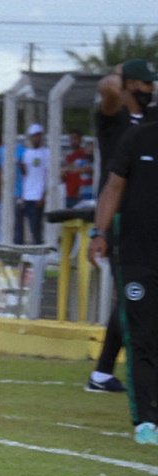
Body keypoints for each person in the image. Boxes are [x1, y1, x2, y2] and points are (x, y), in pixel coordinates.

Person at [86, 59, 158, 395]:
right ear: (130, 83)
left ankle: (101, 374)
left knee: (133, 296)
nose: (149, 90)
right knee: (133, 294)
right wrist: (118, 74)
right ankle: (113, 373)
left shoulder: (154, 120)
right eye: (143, 84)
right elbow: (108, 90)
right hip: (118, 220)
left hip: (149, 221)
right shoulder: (114, 118)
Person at [88, 123, 158, 446]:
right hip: (137, 256)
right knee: (141, 337)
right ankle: (146, 420)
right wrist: (99, 233)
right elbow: (113, 187)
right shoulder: (139, 136)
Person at [15, 123, 48, 245]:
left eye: (37, 136)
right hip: (25, 196)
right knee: (18, 227)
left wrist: (43, 196)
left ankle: (37, 251)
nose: (35, 139)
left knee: (36, 227)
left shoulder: (46, 153)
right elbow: (24, 175)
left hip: (37, 196)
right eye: (33, 136)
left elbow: (47, 175)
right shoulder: (26, 153)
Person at [61, 130, 94, 208]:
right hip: (70, 194)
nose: (73, 141)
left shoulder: (85, 154)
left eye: (75, 138)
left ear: (80, 139)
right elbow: (64, 176)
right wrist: (62, 172)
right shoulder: (69, 157)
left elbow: (90, 169)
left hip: (82, 194)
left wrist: (74, 169)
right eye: (71, 139)